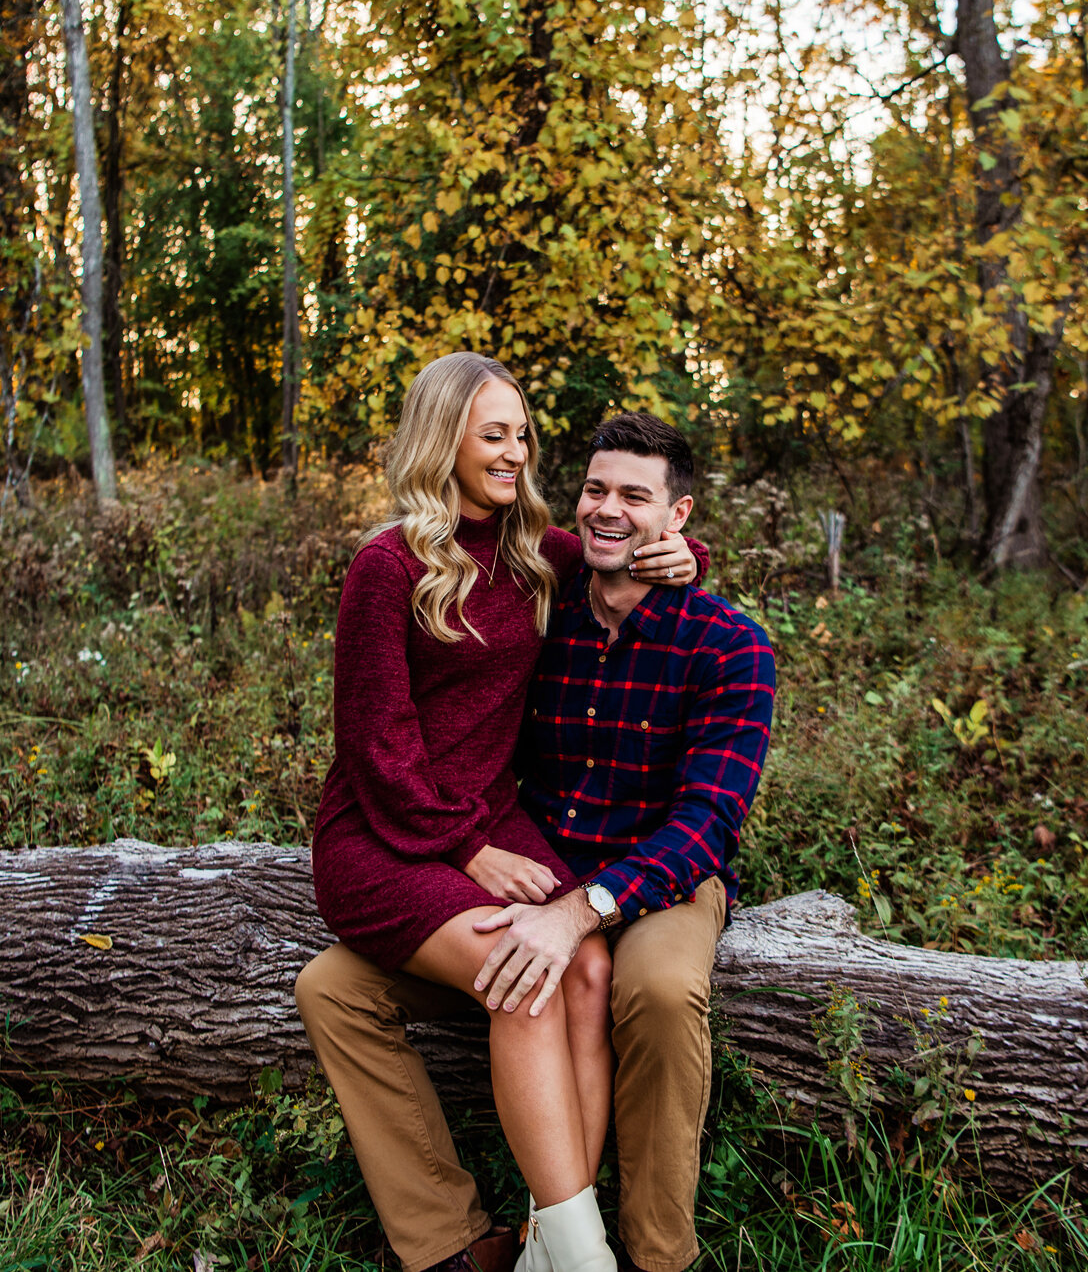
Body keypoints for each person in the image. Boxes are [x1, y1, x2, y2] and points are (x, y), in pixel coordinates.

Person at [298, 410, 776, 1272]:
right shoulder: (544, 601)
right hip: (534, 855)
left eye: (637, 497)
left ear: (680, 516)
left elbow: (707, 822)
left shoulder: (729, 644)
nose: (607, 509)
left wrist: (581, 910)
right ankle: (465, 1243)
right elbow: (405, 725)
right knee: (333, 986)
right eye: (596, 489)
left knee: (658, 991)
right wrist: (495, 864)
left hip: (659, 872)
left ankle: (653, 1254)